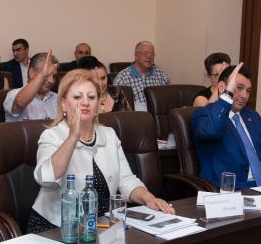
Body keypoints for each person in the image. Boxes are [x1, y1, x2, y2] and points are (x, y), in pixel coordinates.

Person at [27, 69, 175, 233]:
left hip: (98, 225)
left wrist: (149, 198)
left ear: (98, 105)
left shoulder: (109, 134)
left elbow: (125, 180)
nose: (85, 102)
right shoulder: (52, 135)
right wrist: (73, 136)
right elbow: (47, 178)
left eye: (91, 97)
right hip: (56, 227)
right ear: (63, 104)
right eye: (77, 97)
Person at [192, 64, 261, 189]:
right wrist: (227, 94)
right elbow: (211, 132)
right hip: (233, 190)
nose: (244, 95)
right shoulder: (204, 114)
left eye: (248, 90)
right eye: (239, 88)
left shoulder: (252, 116)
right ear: (222, 87)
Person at [3, 51, 59, 121]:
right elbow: (20, 103)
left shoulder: (58, 98)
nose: (51, 80)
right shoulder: (13, 95)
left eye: (54, 76)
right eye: (47, 75)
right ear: (31, 73)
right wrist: (43, 74)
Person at [114, 41, 171, 109]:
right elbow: (119, 108)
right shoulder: (122, 78)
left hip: (159, 113)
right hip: (136, 114)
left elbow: (170, 99)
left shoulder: (161, 75)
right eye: (145, 53)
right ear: (136, 55)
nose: (149, 57)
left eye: (152, 54)